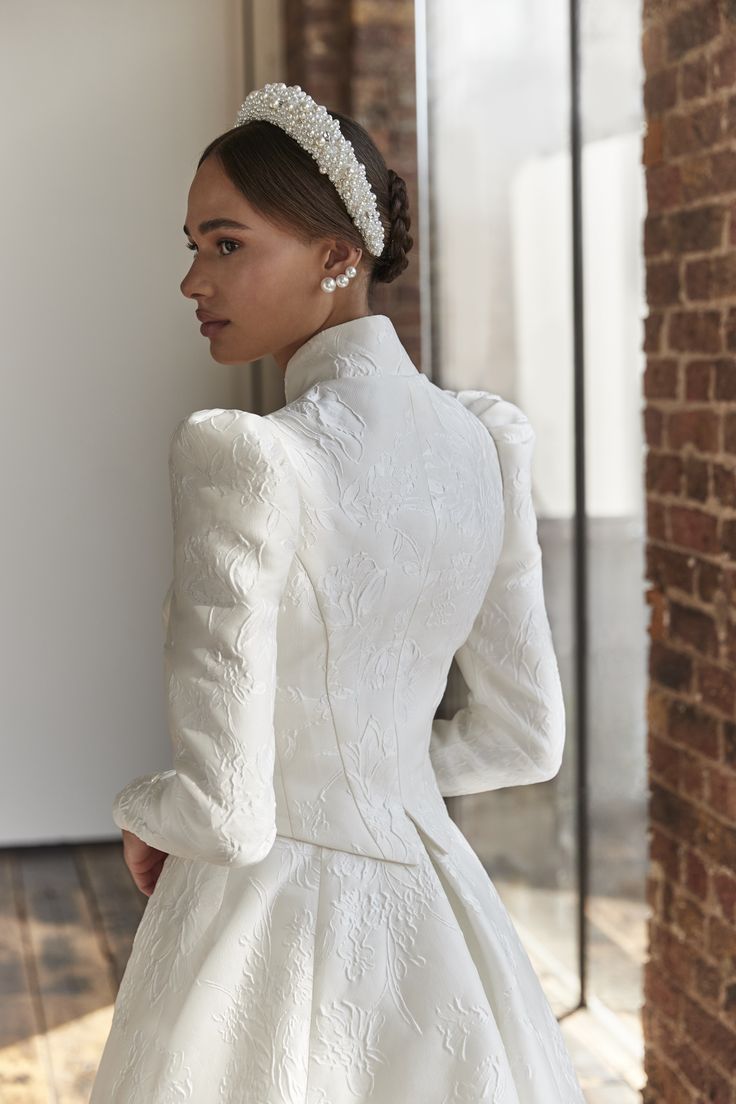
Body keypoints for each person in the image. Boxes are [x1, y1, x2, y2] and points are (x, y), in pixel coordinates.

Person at [89, 82, 586, 1103]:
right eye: (192, 244)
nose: (192, 279)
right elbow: (525, 735)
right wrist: (380, 778)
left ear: (335, 256)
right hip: (438, 913)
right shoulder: (483, 442)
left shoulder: (248, 455)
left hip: (265, 922)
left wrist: (143, 810)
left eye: (226, 244)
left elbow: (224, 812)